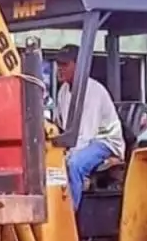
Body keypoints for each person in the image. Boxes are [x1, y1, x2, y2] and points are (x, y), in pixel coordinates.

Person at [51, 46, 124, 210]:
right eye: (58, 64)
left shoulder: (93, 92)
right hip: (81, 141)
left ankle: (70, 216)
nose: (60, 69)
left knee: (74, 165)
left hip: (104, 141)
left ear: (79, 65)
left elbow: (87, 134)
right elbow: (60, 125)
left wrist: (67, 155)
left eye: (65, 64)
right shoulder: (63, 91)